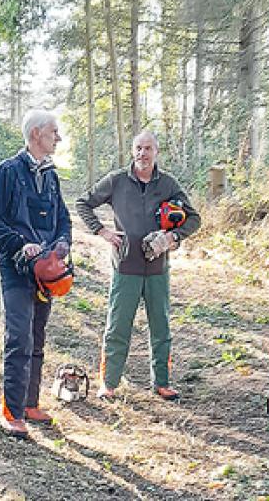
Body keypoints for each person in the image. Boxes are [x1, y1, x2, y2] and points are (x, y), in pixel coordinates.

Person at [75, 132, 201, 401]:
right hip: (126, 267)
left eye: (148, 149)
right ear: (132, 151)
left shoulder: (168, 184)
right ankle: (108, 384)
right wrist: (102, 231)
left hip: (157, 269)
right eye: (138, 148)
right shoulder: (117, 181)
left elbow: (194, 218)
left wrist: (172, 237)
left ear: (157, 152)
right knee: (118, 326)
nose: (143, 154)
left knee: (161, 327)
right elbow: (83, 203)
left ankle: (162, 383)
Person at [0, 109, 72, 437]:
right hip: (15, 268)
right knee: (19, 336)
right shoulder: (7, 172)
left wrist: (61, 246)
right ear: (36, 135)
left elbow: (64, 219)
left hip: (46, 273)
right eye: (54, 132)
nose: (58, 138)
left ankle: (30, 403)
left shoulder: (51, 175)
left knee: (38, 334)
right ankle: (12, 410)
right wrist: (20, 244)